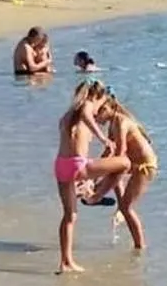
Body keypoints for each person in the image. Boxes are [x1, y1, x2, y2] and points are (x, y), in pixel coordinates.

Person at [53, 81, 130, 275]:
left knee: (70, 216)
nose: (98, 111)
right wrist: (103, 139)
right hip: (77, 166)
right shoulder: (86, 105)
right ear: (97, 97)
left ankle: (65, 262)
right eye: (101, 103)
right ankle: (95, 196)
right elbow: (87, 114)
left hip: (61, 166)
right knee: (125, 163)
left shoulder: (68, 114)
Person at [94, 92, 158, 252]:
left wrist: (101, 180)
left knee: (127, 208)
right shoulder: (112, 125)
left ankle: (140, 247)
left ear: (108, 108)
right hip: (133, 164)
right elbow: (108, 152)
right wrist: (92, 175)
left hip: (145, 166)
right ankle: (116, 203)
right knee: (113, 172)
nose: (95, 117)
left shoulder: (121, 122)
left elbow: (120, 152)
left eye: (98, 113)